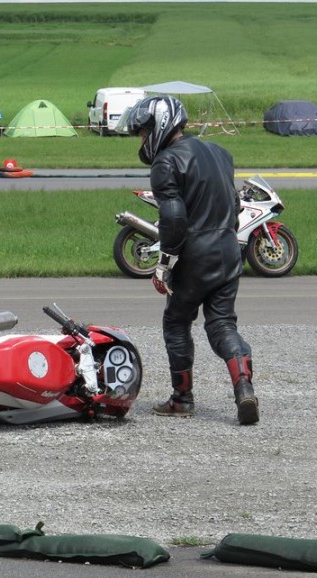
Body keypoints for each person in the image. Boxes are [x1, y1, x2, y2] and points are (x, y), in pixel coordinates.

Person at [127, 95, 259, 425]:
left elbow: (173, 220)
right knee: (222, 324)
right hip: (229, 250)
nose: (143, 140)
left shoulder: (166, 163)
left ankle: (182, 399)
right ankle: (244, 387)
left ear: (160, 125)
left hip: (194, 255)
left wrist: (164, 264)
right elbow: (234, 204)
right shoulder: (220, 153)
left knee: (176, 322)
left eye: (144, 132)